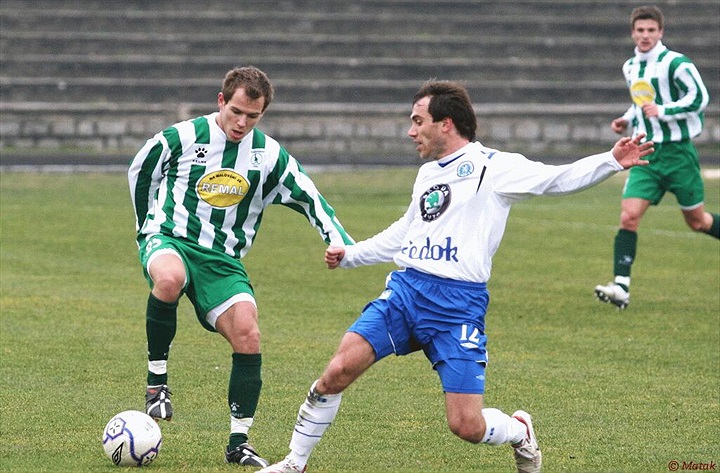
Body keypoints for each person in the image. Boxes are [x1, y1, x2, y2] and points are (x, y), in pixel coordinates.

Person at [258, 80, 654, 473]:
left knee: (465, 425)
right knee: (338, 371)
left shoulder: (493, 167)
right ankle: (295, 464)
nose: (411, 131)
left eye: (418, 121)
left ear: (445, 123)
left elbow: (556, 178)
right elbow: (406, 231)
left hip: (458, 306)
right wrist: (352, 255)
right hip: (406, 292)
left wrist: (611, 160)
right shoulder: (428, 173)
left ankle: (518, 431)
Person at [127, 66, 354, 466]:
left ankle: (238, 442)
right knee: (169, 279)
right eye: (236, 112)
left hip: (223, 259)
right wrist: (146, 226)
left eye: (253, 116)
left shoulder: (267, 156)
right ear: (221, 100)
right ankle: (157, 383)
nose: (242, 123)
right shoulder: (181, 137)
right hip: (170, 238)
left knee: (248, 334)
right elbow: (141, 169)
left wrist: (338, 240)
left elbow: (309, 196)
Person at [594, 5, 719, 310]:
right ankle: (621, 287)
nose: (645, 35)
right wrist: (626, 120)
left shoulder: (675, 63)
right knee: (629, 216)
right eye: (640, 30)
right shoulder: (630, 67)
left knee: (697, 221)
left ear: (660, 32)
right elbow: (641, 104)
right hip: (646, 151)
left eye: (651, 30)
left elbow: (700, 97)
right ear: (632, 32)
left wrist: (665, 111)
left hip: (678, 153)